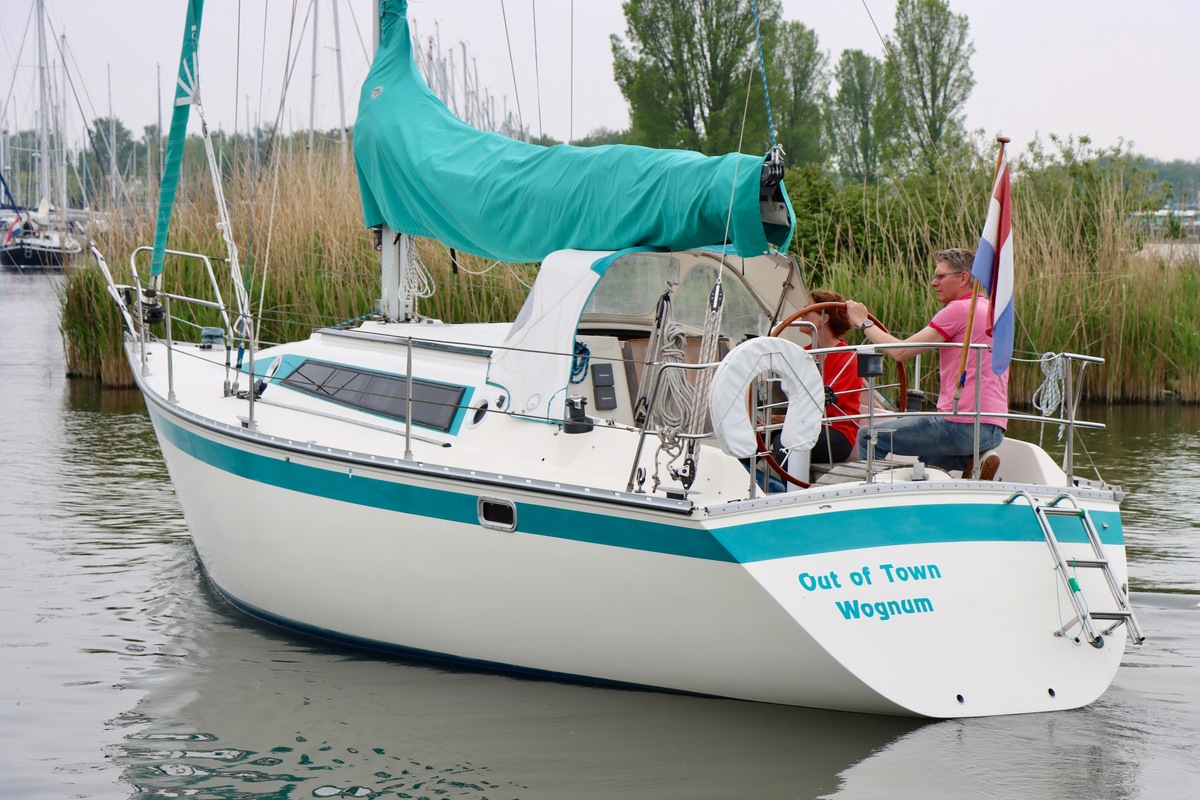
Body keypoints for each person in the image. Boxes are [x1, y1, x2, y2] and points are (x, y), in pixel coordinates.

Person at [844, 248, 1008, 477]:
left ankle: (875, 491)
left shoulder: (960, 309)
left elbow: (900, 352)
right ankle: (972, 463)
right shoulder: (991, 312)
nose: (933, 283)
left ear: (963, 278)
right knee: (929, 458)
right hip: (993, 428)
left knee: (869, 436)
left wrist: (863, 321)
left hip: (961, 424)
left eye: (940, 276)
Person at [798, 290, 862, 464]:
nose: (801, 313)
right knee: (753, 435)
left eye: (807, 309)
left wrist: (780, 420)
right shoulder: (802, 353)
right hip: (804, 425)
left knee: (787, 441)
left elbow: (830, 407)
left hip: (836, 433)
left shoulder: (847, 358)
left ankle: (789, 482)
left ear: (824, 319)